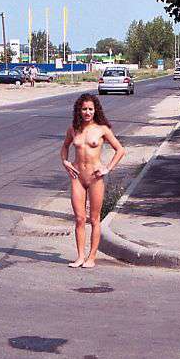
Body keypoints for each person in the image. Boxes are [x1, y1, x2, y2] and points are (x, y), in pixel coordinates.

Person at [61, 93, 125, 268]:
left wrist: (107, 168)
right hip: (77, 178)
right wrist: (65, 162)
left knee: (94, 219)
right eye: (84, 109)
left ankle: (91, 257)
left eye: (90, 109)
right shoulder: (73, 129)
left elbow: (120, 150)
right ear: (79, 110)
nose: (87, 112)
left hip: (95, 178)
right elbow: (65, 147)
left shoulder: (102, 129)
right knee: (79, 219)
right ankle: (80, 257)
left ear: (95, 110)